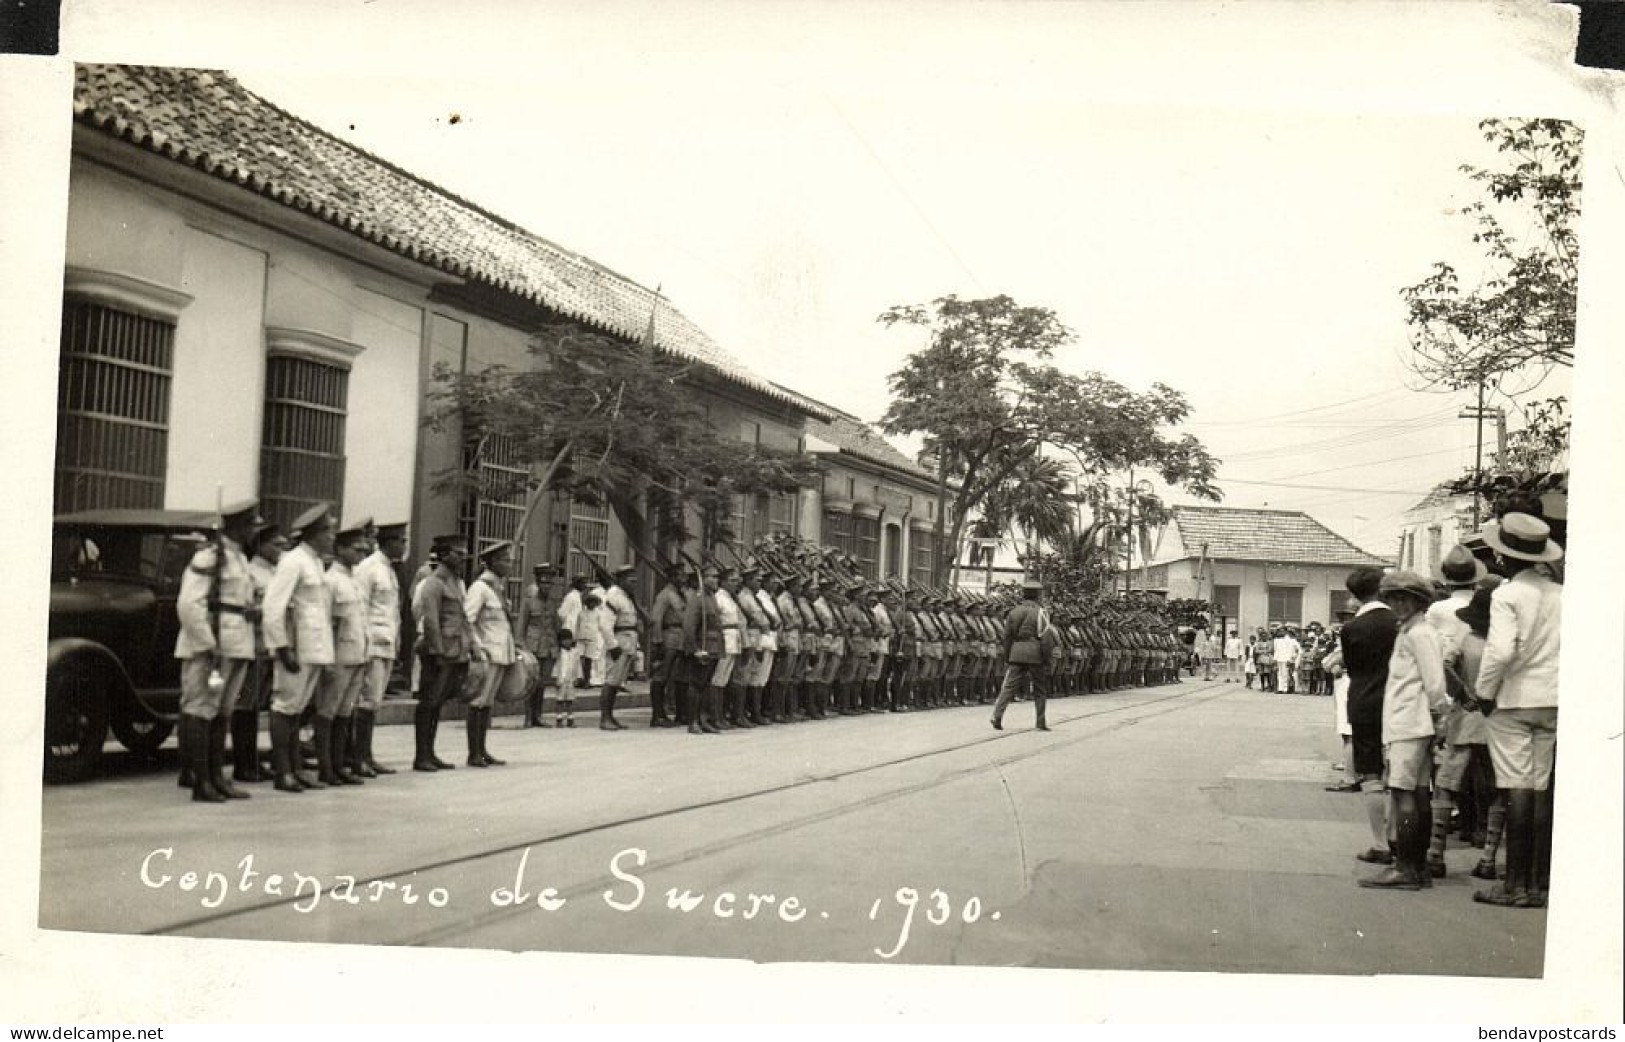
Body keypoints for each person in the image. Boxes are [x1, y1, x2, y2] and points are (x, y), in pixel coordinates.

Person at [1471, 513, 1563, 909]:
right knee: (1540, 789)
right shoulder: (1562, 593)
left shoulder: (1506, 595)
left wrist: (1484, 692)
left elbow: (1501, 650)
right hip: (1553, 698)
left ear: (1503, 555)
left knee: (1518, 789)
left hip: (1514, 699)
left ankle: (1514, 885)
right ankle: (1538, 882)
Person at [1358, 570, 1448, 891]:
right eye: (1393, 598)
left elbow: (1435, 683)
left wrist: (1441, 717)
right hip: (1411, 722)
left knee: (1404, 794)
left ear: (1418, 601)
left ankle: (1406, 867)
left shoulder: (1418, 634)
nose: (1397, 604)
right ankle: (1417, 864)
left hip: (1410, 723)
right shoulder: (1411, 631)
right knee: (1418, 793)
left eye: (1404, 598)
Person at [173, 497, 262, 803]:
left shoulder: (238, 558)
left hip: (236, 645)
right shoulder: (211, 557)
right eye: (250, 524)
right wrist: (206, 644)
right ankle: (200, 782)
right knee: (201, 711)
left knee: (221, 713)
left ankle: (216, 777)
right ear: (236, 526)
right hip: (211, 647)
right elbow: (189, 604)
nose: (254, 530)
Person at [263, 503, 338, 793]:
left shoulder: (316, 563)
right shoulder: (293, 561)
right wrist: (282, 648)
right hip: (295, 648)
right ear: (315, 534)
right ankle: (283, 772)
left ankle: (295, 768)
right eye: (329, 531)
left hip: (314, 648)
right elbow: (273, 607)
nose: (332, 536)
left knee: (296, 711)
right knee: (284, 708)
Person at [1422, 545, 1486, 876]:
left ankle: (1436, 848)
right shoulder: (1490, 620)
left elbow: (1439, 661)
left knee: (1447, 775)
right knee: (1488, 779)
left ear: (1446, 578)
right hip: (1493, 709)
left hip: (1458, 703)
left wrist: (1461, 693)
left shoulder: (1439, 612)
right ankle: (1483, 841)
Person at [1340, 567, 1398, 860]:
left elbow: (1352, 668)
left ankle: (1380, 843)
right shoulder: (1399, 622)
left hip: (1364, 703)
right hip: (1399, 703)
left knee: (1371, 772)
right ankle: (1400, 838)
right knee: (1400, 774)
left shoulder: (1351, 629)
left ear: (1354, 595)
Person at [313, 521, 370, 787]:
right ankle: (326, 767)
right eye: (356, 548)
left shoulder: (353, 580)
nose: (362, 552)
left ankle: (338, 765)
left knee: (344, 714)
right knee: (328, 712)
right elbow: (327, 622)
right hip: (338, 657)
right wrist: (328, 660)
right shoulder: (331, 580)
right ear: (340, 549)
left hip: (357, 654)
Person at [412, 535, 474, 770]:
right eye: (458, 554)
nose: (463, 558)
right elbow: (431, 621)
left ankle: (430, 752)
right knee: (428, 703)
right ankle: (421, 756)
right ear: (444, 554)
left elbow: (462, 618)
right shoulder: (434, 583)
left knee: (437, 703)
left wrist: (470, 646)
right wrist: (437, 651)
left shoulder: (454, 583)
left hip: (453, 650)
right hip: (438, 652)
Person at [351, 521, 406, 776]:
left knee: (374, 702)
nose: (404, 546)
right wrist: (362, 644)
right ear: (388, 542)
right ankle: (358, 758)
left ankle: (367, 756)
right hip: (371, 643)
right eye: (401, 541)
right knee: (366, 701)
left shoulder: (389, 570)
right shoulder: (369, 568)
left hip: (386, 643)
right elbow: (361, 607)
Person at [236, 520, 287, 784]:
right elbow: (247, 609)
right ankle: (243, 765)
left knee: (256, 708)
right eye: (276, 544)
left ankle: (252, 762)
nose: (282, 548)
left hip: (269, 648)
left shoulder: (277, 572)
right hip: (253, 647)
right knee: (245, 706)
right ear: (260, 545)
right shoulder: (251, 572)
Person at [464, 541, 517, 764]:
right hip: (486, 652)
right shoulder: (480, 588)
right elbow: (468, 619)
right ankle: (473, 753)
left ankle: (482, 750)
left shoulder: (498, 587)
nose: (509, 564)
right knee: (478, 701)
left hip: (500, 652)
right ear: (493, 562)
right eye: (505, 560)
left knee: (487, 703)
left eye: (510, 560)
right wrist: (476, 647)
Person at [991, 579, 1051, 732]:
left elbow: (1007, 636)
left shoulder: (1014, 612)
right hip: (1035, 652)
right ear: (1038, 595)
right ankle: (1040, 722)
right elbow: (1045, 637)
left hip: (1016, 651)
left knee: (1009, 686)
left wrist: (1007, 655)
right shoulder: (1041, 612)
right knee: (1039, 689)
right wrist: (1046, 657)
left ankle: (997, 715)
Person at [515, 563, 561, 728]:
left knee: (542, 683)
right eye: (543, 583)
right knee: (531, 683)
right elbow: (521, 625)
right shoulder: (529, 601)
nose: (546, 586)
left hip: (549, 646)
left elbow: (556, 624)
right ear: (538, 583)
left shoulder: (552, 602)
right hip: (532, 646)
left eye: (549, 583)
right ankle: (528, 717)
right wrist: (521, 646)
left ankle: (538, 716)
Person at [682, 565, 727, 734]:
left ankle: (704, 719)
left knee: (706, 685)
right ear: (704, 578)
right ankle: (693, 721)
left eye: (717, 577)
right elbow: (689, 625)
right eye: (713, 577)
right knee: (696, 684)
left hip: (714, 646)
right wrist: (694, 649)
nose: (716, 580)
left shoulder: (711, 597)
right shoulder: (697, 598)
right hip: (703, 646)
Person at [646, 566, 689, 728]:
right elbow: (656, 619)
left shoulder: (681, 594)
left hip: (681, 638)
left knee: (679, 677)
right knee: (661, 677)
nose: (683, 579)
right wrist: (657, 643)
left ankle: (680, 713)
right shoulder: (665, 595)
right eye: (680, 576)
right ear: (672, 577)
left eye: (684, 576)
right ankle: (658, 715)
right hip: (669, 636)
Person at [600, 563, 640, 731]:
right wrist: (612, 645)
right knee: (611, 681)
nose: (633, 583)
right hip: (618, 640)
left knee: (618, 682)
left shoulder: (626, 596)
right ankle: (605, 718)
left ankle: (611, 716)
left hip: (628, 640)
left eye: (634, 580)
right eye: (629, 580)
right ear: (621, 580)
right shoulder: (613, 596)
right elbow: (604, 624)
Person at [554, 575, 589, 727]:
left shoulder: (579, 597)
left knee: (574, 660)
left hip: (573, 634)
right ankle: (560, 717)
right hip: (568, 631)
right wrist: (566, 630)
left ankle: (569, 717)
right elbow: (561, 613)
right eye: (582, 583)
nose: (585, 586)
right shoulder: (571, 597)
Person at [1273, 626, 1301, 694]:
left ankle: (1285, 688)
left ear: (1286, 632)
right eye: (1280, 631)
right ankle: (1280, 688)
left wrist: (1292, 658)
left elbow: (1298, 650)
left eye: (1283, 631)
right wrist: (1275, 659)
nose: (1281, 632)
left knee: (1285, 674)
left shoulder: (1291, 640)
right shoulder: (1277, 640)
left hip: (1287, 659)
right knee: (1279, 674)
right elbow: (1276, 650)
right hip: (1279, 658)